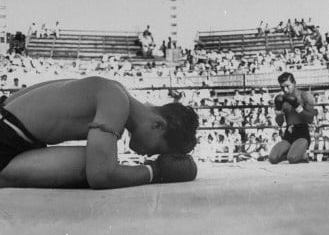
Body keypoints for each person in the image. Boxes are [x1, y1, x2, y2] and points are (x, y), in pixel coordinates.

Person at [0, 76, 199, 189]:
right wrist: (156, 172)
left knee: (96, 159)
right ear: (158, 125)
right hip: (7, 136)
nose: (147, 155)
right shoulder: (116, 100)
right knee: (92, 162)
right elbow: (100, 176)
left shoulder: (115, 89)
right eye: (156, 149)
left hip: (10, 128)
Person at [269, 72, 315, 164]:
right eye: (282, 87)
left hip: (302, 133)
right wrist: (278, 112)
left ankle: (301, 154)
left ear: (294, 83)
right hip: (288, 133)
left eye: (287, 86)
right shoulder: (281, 99)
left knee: (292, 158)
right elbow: (280, 123)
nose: (285, 89)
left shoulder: (305, 96)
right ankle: (295, 152)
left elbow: (310, 119)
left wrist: (297, 106)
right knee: (272, 159)